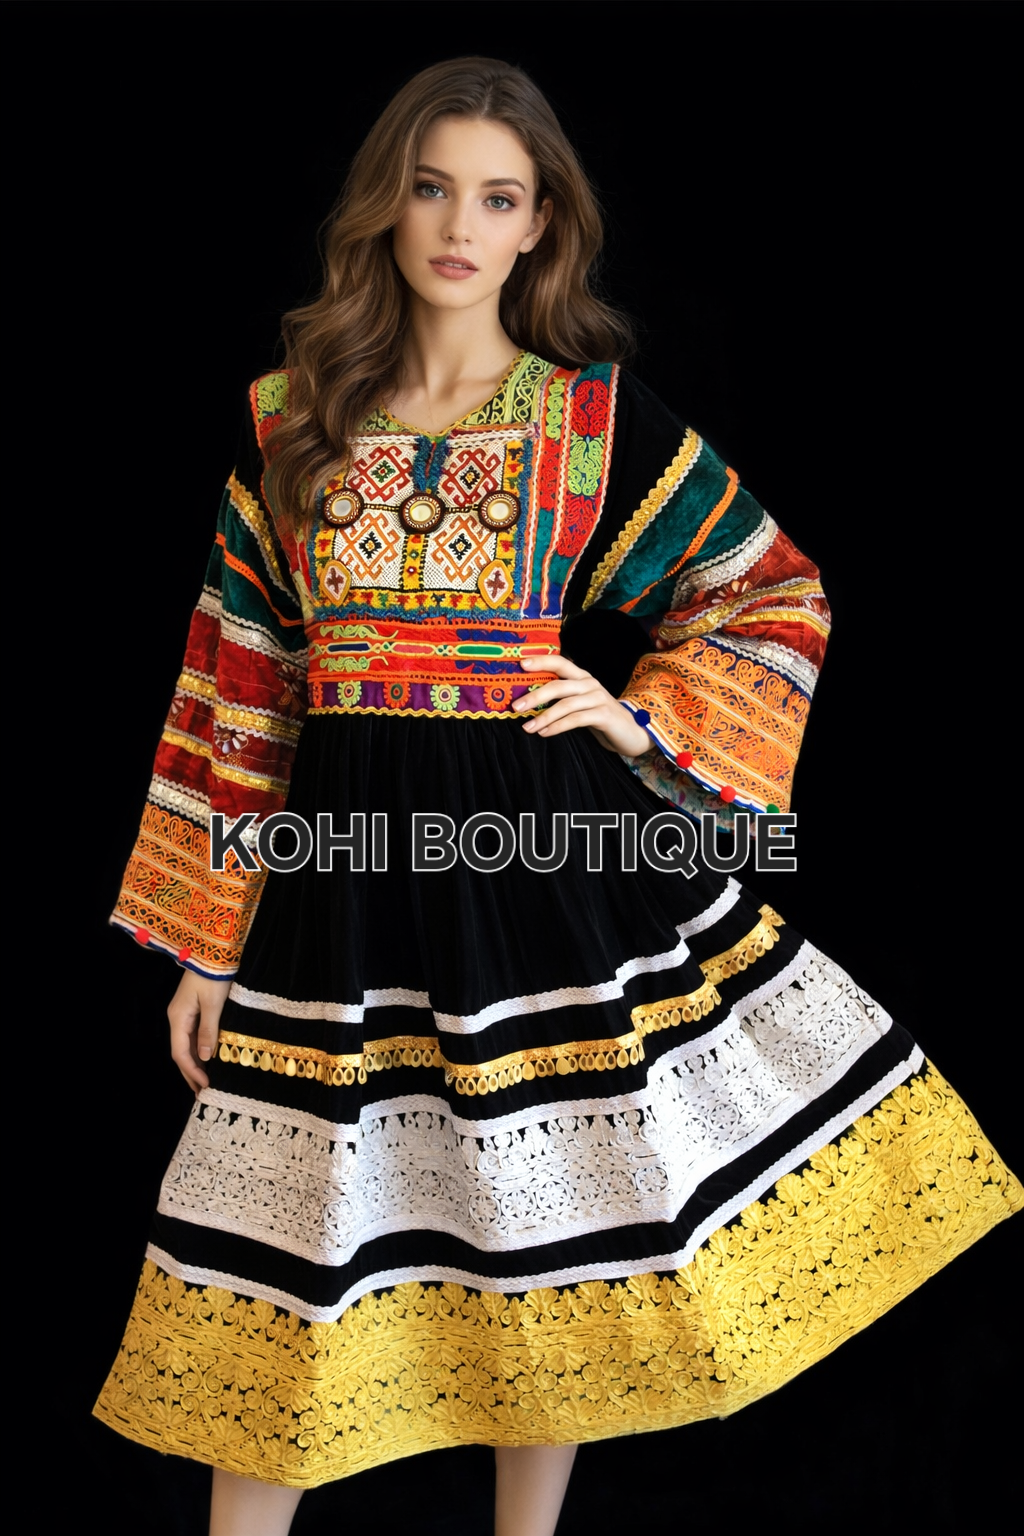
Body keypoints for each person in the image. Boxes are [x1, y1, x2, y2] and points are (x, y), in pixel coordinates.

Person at [93, 56, 1021, 1536]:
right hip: (337, 884)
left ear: (539, 226)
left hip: (535, 857)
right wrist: (206, 941)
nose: (460, 225)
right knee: (294, 1248)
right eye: (432, 188)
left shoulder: (588, 422)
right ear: (387, 206)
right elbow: (239, 686)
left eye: (498, 197)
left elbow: (768, 591)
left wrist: (635, 716)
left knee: (551, 1218)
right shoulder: (292, 425)